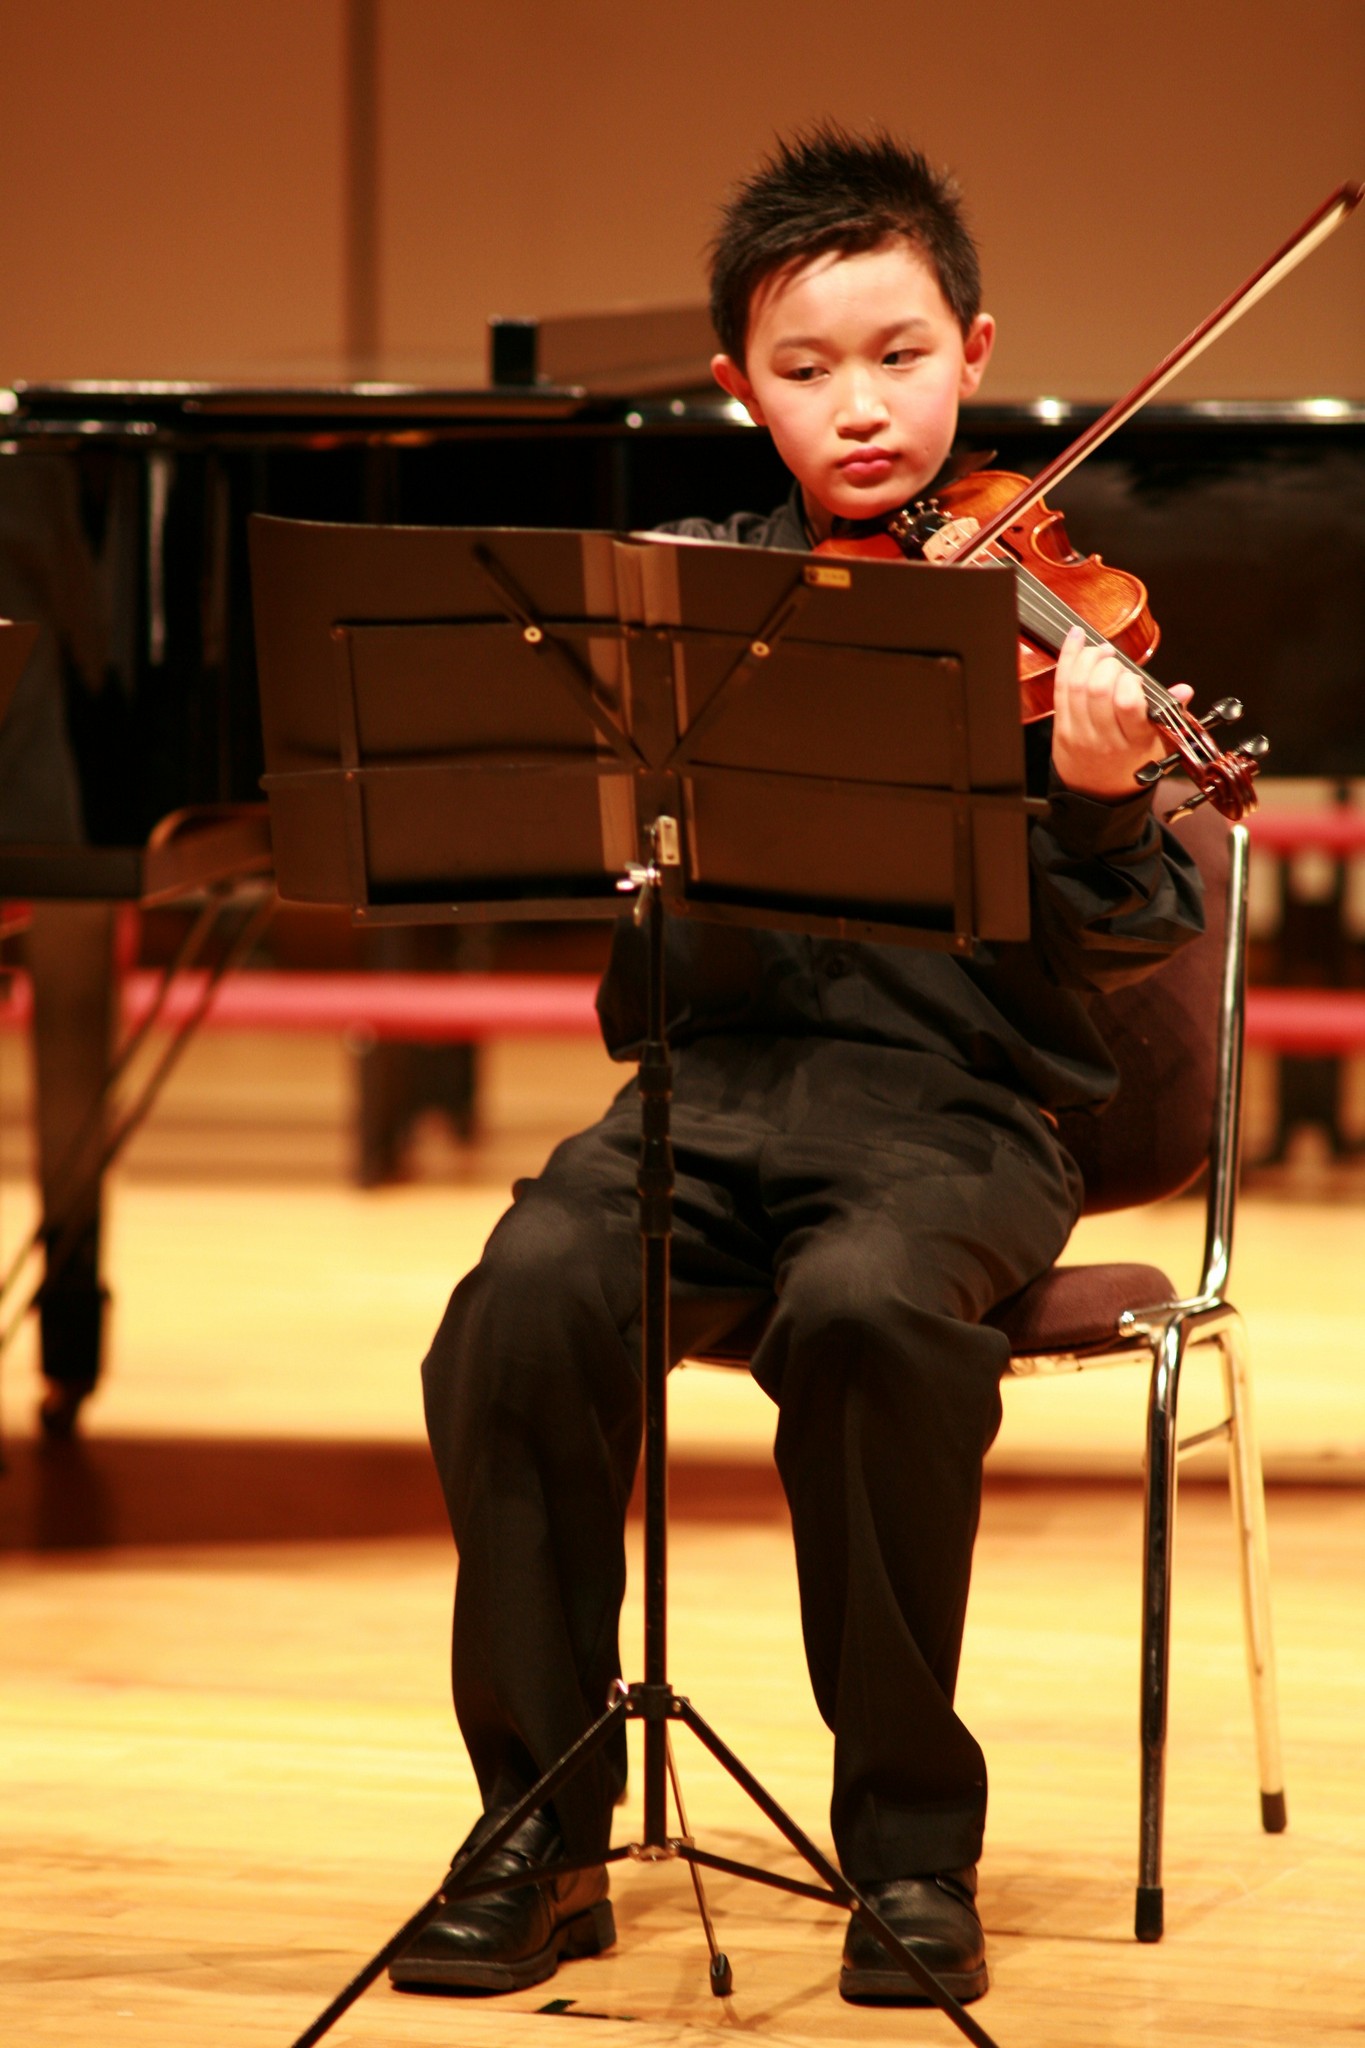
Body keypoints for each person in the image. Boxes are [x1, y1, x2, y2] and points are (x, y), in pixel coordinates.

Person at [393, 124, 1204, 2007]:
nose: (860, 408)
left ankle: (909, 1848)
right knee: (521, 1295)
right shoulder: (670, 612)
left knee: (864, 1311)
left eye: (899, 357)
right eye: (807, 367)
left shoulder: (1047, 616)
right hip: (705, 1103)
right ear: (736, 386)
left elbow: (1132, 934)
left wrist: (1096, 799)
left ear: (971, 352)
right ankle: (539, 1831)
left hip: (960, 1122)